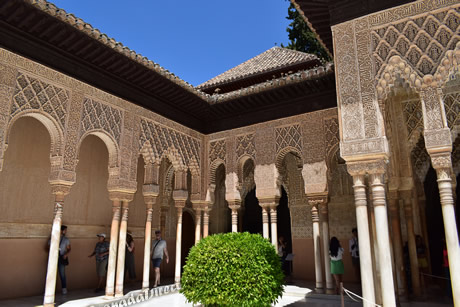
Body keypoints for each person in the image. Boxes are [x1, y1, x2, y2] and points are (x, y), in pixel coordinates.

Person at [50, 225, 71, 295]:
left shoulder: (66, 239)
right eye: (65, 230)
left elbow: (69, 248)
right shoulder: (53, 238)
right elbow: (48, 247)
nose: (66, 232)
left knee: (62, 274)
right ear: (61, 231)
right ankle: (51, 289)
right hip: (54, 258)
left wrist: (66, 254)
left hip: (61, 257)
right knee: (52, 274)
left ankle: (64, 288)